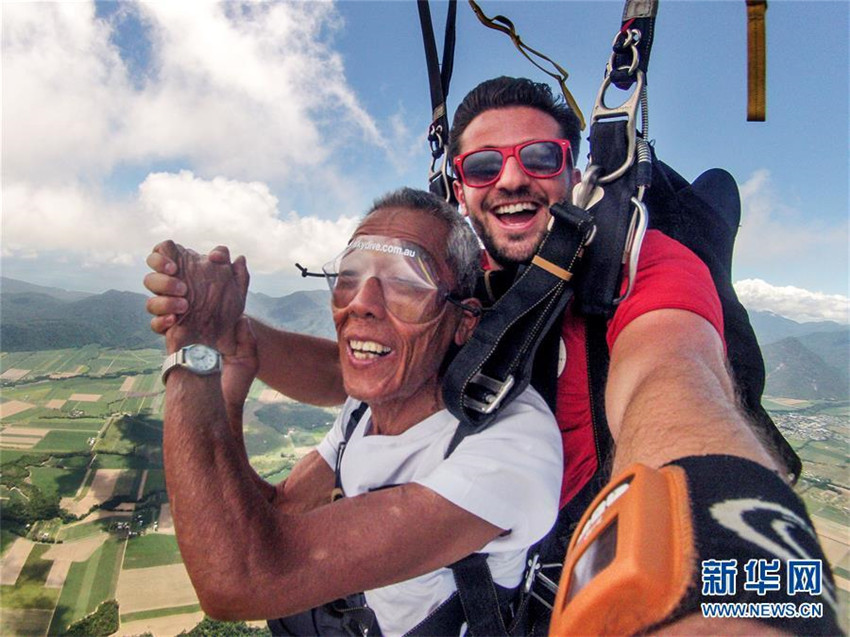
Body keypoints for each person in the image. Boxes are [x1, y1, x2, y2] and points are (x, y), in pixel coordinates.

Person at [146, 78, 838, 634]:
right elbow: (361, 372)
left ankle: (710, 220)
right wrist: (239, 338)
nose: (511, 178)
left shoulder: (638, 264)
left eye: (540, 158)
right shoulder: (459, 273)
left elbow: (670, 377)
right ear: (459, 189)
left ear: (573, 173)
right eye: (483, 165)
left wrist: (733, 560)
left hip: (529, 534)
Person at [155, 187, 563, 635]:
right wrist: (230, 383)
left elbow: (240, 579)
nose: (361, 304)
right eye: (349, 276)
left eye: (406, 282)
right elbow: (280, 509)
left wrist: (191, 351)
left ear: (464, 320)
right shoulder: (365, 409)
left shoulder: (510, 445)